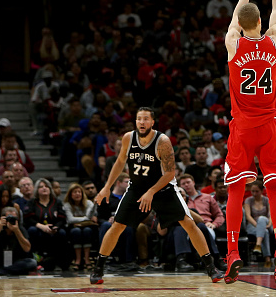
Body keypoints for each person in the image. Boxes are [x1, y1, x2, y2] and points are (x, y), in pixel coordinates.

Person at [90, 107, 223, 284]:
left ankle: (211, 267)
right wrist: (107, 187)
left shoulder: (162, 141)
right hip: (137, 189)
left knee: (188, 223)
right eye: (139, 119)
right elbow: (120, 162)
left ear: (152, 122)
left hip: (163, 189)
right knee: (117, 225)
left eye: (146, 119)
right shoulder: (129, 138)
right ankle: (98, 268)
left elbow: (170, 173)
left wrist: (151, 192)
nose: (142, 122)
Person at [222, 0, 276, 285]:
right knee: (274, 189)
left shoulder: (233, 44)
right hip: (270, 125)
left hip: (243, 127)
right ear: (260, 21)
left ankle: (233, 253)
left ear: (239, 23)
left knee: (236, 192)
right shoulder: (273, 39)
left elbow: (237, 18)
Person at [24, 178, 69, 271]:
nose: (44, 188)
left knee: (62, 233)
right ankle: (37, 261)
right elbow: (28, 218)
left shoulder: (57, 202)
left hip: (54, 229)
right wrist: (41, 226)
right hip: (38, 228)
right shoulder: (32, 202)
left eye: (46, 186)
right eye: (41, 187)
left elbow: (62, 218)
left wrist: (56, 227)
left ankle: (60, 262)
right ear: (37, 190)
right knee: (32, 231)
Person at [0, 206, 37, 275]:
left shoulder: (20, 228)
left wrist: (16, 231)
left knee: (32, 262)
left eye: (14, 218)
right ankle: (8, 270)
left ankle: (0, 271)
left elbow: (27, 248)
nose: (11, 221)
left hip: (14, 261)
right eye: (9, 218)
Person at [63, 183, 98, 271]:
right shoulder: (67, 205)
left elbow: (90, 216)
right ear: (70, 194)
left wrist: (94, 206)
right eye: (75, 192)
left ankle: (87, 259)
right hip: (73, 229)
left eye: (79, 192)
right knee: (76, 231)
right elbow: (70, 220)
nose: (77, 194)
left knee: (87, 231)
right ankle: (78, 259)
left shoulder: (89, 203)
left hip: (87, 228)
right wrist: (85, 219)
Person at [244, 182, 274, 267]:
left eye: (256, 191)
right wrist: (259, 227)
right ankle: (267, 259)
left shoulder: (267, 200)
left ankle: (258, 245)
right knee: (264, 232)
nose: (254, 194)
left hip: (267, 224)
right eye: (252, 191)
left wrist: (268, 224)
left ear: (262, 191)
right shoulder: (248, 200)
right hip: (252, 225)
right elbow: (248, 216)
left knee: (262, 219)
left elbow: (271, 215)